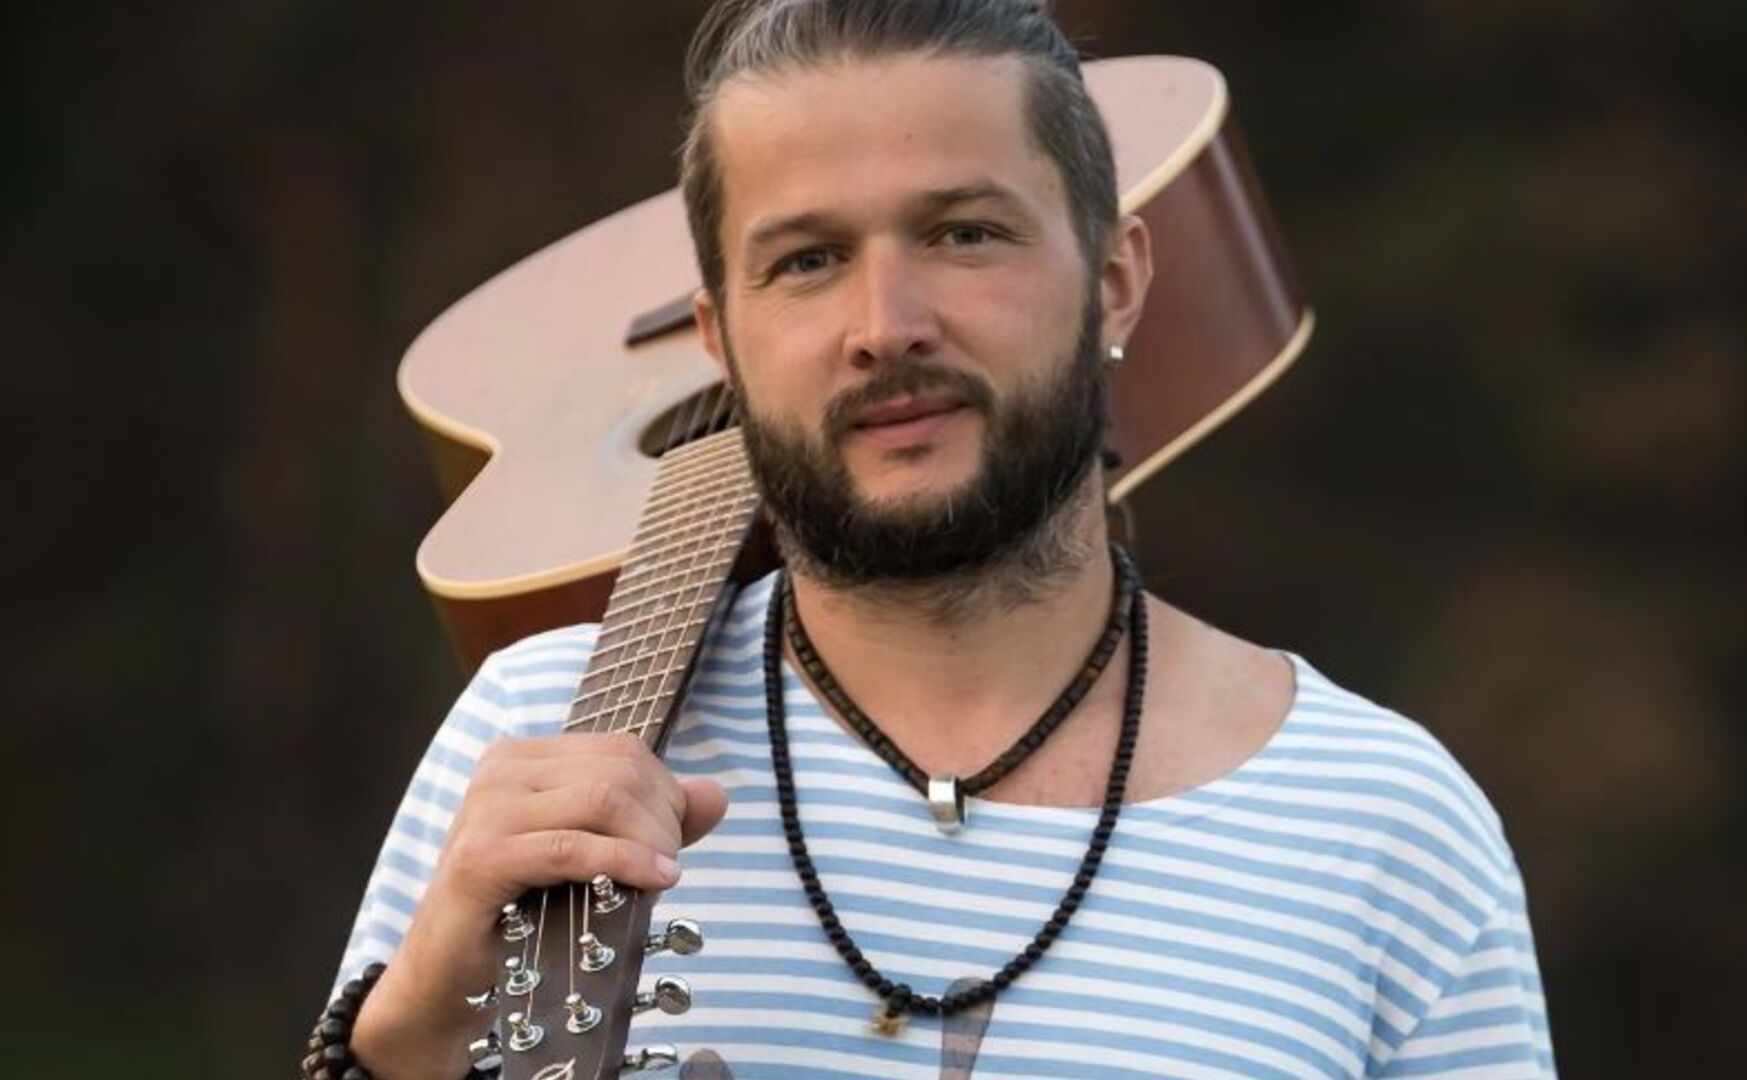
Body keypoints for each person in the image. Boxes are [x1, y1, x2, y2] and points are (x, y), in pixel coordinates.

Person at [322, 2, 1555, 1077]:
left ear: (1117, 279)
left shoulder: (1383, 819)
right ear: (718, 339)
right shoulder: (543, 732)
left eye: (964, 233)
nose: (885, 324)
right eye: (807, 260)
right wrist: (409, 1034)